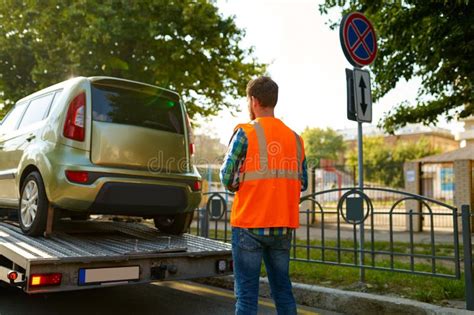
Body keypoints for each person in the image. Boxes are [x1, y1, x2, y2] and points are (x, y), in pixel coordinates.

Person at [220, 76, 308, 315]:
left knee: (247, 297)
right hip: (282, 226)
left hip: (249, 224)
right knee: (282, 290)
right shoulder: (295, 139)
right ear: (273, 101)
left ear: (253, 100)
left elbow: (227, 178)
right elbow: (303, 182)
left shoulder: (246, 133)